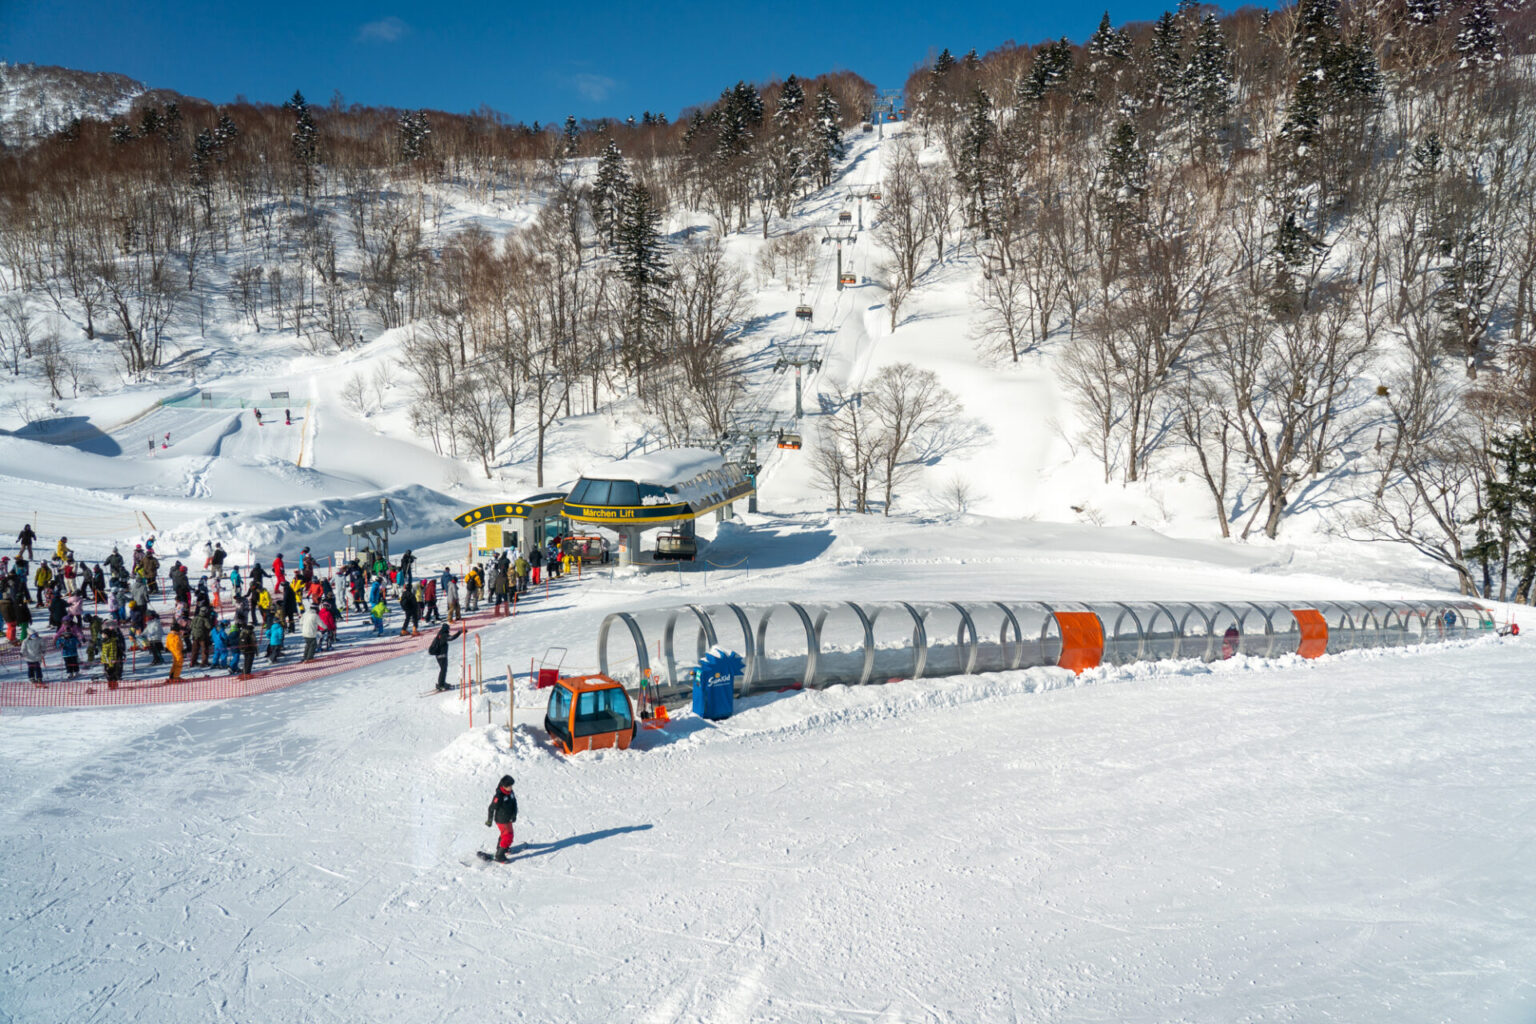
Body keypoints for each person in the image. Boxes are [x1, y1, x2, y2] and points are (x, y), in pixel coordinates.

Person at [484, 775, 518, 862]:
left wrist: (514, 815)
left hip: (508, 818)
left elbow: (514, 803)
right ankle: (499, 856)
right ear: (503, 786)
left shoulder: (510, 792)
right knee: (508, 836)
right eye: (509, 786)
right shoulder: (499, 796)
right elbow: (491, 808)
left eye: (511, 786)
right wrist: (489, 820)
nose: (511, 787)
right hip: (501, 819)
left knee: (506, 834)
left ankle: (502, 848)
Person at [428, 622, 462, 691]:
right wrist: (459, 632)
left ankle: (442, 682)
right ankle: (441, 685)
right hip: (441, 655)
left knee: (443, 669)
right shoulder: (444, 635)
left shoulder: (440, 634)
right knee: (443, 669)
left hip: (439, 655)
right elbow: (451, 638)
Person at [101, 624, 124, 689]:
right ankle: (110, 685)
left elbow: (113, 651)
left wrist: (112, 659)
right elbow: (104, 652)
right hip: (106, 660)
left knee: (112, 673)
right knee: (107, 673)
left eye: (104, 634)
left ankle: (114, 685)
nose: (102, 636)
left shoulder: (112, 642)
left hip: (111, 660)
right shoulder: (104, 642)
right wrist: (103, 659)